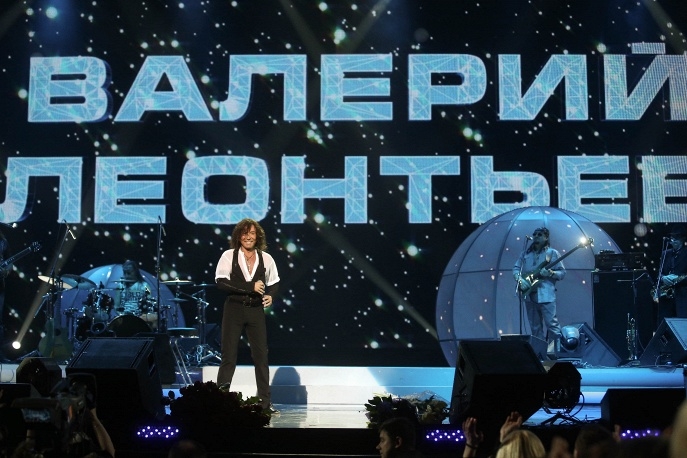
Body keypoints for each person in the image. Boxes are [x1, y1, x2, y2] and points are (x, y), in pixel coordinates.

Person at [215, 218, 280, 413]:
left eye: (252, 233)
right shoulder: (229, 256)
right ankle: (219, 402)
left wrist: (271, 295)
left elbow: (274, 282)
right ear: (238, 236)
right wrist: (250, 286)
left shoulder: (266, 258)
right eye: (244, 233)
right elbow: (221, 282)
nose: (248, 237)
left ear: (257, 236)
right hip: (234, 309)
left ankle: (265, 403)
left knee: (261, 357)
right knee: (229, 356)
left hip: (255, 311)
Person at [513, 227, 566, 344]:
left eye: (540, 234)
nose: (536, 236)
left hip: (546, 295)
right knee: (535, 327)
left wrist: (551, 273)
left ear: (546, 237)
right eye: (535, 234)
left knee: (552, 325)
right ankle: (540, 352)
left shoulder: (552, 253)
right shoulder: (525, 254)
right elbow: (516, 269)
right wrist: (520, 279)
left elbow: (562, 273)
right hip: (529, 295)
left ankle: (556, 351)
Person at [654, 225, 687, 324]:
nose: (673, 240)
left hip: (682, 296)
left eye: (677, 238)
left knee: (682, 324)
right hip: (666, 297)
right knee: (665, 324)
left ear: (682, 239)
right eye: (672, 238)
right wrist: (663, 278)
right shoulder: (665, 253)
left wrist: (677, 279)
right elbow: (659, 273)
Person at [113, 259, 155, 328]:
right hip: (124, 317)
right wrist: (121, 315)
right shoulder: (120, 286)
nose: (126, 275)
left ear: (135, 272)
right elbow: (116, 306)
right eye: (125, 273)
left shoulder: (145, 286)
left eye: (129, 273)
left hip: (140, 318)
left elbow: (150, 304)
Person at [0, 230, 8, 361]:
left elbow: (9, 260)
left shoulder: (3, 241)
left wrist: (6, 270)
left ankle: (0, 355)